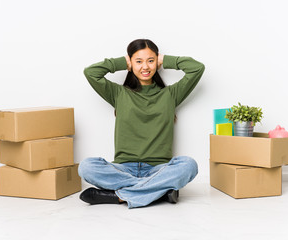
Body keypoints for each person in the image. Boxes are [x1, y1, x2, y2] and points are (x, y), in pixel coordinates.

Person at [78, 39, 205, 209]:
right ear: (130, 63)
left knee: (189, 165)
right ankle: (158, 190)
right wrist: (122, 62)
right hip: (123, 168)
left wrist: (164, 60)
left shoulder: (171, 94)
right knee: (86, 167)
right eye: (138, 61)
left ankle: (120, 196)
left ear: (157, 62)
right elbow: (91, 72)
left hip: (159, 169)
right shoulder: (118, 93)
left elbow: (197, 68)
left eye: (150, 61)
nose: (145, 67)